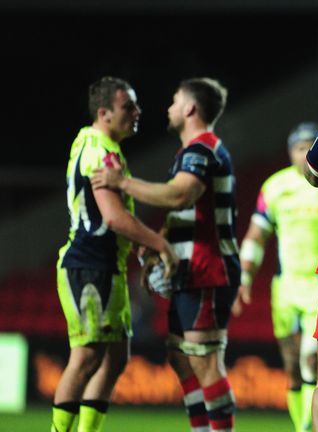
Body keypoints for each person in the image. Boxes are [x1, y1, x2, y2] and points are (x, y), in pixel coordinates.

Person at [91, 78, 239, 432]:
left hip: (209, 268)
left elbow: (179, 197)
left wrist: (122, 182)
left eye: (174, 101)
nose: (168, 108)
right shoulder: (191, 152)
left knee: (204, 362)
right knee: (180, 357)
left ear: (189, 109)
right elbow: (185, 214)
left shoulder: (202, 150)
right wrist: (158, 249)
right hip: (192, 269)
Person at [53, 76, 178, 432]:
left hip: (106, 264)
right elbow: (112, 216)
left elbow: (111, 216)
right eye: (129, 106)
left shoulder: (92, 142)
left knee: (115, 357)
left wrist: (138, 246)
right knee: (88, 356)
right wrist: (160, 244)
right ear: (104, 113)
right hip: (88, 263)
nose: (137, 112)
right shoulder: (100, 151)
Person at [232, 122, 318, 432]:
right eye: (299, 147)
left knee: (310, 359)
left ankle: (307, 427)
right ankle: (299, 423)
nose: (305, 153)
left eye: (310, 146)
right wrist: (245, 278)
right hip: (285, 287)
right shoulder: (274, 187)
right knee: (292, 365)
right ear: (290, 151)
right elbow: (256, 236)